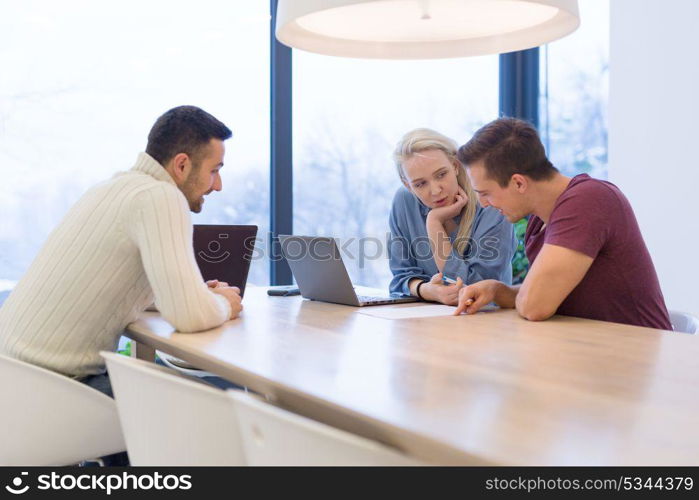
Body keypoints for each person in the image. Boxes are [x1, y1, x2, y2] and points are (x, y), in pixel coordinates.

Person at [0, 105, 244, 399]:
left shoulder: (110, 189)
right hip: (52, 393)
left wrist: (194, 295)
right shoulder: (160, 196)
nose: (217, 185)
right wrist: (225, 305)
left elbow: (107, 286)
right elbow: (189, 318)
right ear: (181, 165)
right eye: (214, 171)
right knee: (219, 407)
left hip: (15, 383)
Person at [454, 118, 671, 330]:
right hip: (588, 351)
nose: (483, 204)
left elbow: (534, 306)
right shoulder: (539, 220)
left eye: (485, 193)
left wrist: (527, 297)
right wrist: (497, 290)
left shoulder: (589, 199)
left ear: (518, 182)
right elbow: (551, 294)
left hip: (636, 356)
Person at [389, 128, 516, 305]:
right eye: (420, 184)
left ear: (455, 165)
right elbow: (400, 278)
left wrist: (434, 224)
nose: (435, 190)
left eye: (441, 174)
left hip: (486, 321)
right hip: (428, 321)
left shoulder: (489, 202)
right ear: (408, 186)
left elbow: (477, 290)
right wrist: (427, 290)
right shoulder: (404, 201)